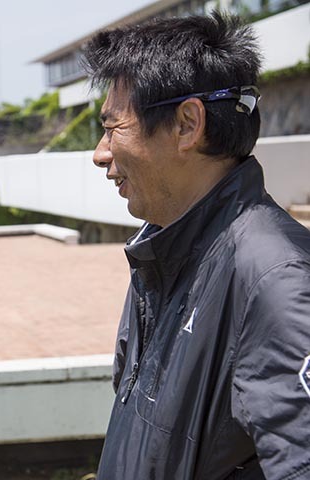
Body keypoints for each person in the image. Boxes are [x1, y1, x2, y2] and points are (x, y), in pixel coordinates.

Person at [84, 11, 310, 479]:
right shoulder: (164, 251)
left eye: (113, 127)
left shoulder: (278, 280)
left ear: (188, 124)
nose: (100, 153)